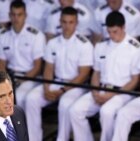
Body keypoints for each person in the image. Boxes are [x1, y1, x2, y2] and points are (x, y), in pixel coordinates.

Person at [70, 11, 140, 141]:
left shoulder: (135, 48)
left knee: (106, 112)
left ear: (123, 27)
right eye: (109, 32)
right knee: (75, 110)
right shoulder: (101, 46)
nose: (111, 35)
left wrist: (112, 94)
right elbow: (96, 73)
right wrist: (95, 91)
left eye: (115, 32)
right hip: (101, 89)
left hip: (122, 92)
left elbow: (135, 81)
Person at [25, 7, 93, 141]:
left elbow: (83, 74)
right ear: (60, 22)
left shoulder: (85, 44)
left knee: (64, 103)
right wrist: (46, 88)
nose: (67, 26)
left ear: (76, 23)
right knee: (31, 99)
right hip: (56, 82)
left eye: (71, 22)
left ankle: (62, 138)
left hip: (76, 86)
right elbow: (48, 68)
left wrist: (62, 90)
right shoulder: (53, 42)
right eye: (64, 22)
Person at [0, 0, 46, 112]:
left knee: (19, 97)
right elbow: (1, 64)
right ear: (9, 15)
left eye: (19, 14)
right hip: (8, 76)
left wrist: (17, 82)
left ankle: (22, 128)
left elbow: (37, 67)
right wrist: (4, 82)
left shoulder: (36, 35)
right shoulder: (3, 35)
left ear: (25, 15)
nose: (16, 18)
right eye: (13, 14)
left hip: (28, 77)